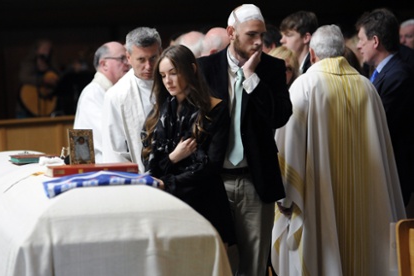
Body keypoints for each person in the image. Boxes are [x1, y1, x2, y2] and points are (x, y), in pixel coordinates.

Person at [271, 24, 406, 276]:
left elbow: (287, 148)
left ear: (312, 54)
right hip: (367, 198)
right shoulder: (367, 87)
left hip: (319, 199)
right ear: (343, 52)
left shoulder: (304, 87)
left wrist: (285, 197)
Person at [198, 4, 293, 275]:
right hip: (215, 180)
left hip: (255, 180)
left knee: (255, 265)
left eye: (262, 35)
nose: (259, 41)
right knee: (219, 262)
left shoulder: (272, 68)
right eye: (251, 34)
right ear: (231, 33)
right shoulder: (206, 68)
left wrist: (251, 77)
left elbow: (279, 117)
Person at [141, 44, 235, 245]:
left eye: (173, 73)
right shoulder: (159, 113)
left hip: (205, 202)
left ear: (191, 69)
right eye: (163, 75)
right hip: (169, 204)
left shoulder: (214, 109)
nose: (168, 81)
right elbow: (151, 167)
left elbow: (210, 167)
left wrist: (168, 181)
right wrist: (174, 157)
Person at [356, 8, 414, 208]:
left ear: (375, 41)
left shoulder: (398, 76)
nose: (358, 46)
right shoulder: (383, 72)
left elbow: (380, 125)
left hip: (395, 175)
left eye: (361, 40)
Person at [102, 27, 162, 173]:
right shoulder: (116, 95)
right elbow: (115, 152)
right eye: (141, 59)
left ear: (161, 52)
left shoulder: (173, 83)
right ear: (128, 57)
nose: (148, 66)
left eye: (153, 58)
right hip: (140, 176)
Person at [73, 42, 130, 163]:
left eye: (128, 58)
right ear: (104, 64)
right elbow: (112, 136)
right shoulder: (92, 94)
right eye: (122, 58)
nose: (128, 63)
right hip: (99, 169)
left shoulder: (113, 91)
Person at [17, 39, 60, 118]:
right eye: (44, 49)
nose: (46, 52)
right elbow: (23, 78)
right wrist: (42, 80)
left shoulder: (53, 67)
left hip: (47, 107)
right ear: (36, 50)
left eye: (48, 49)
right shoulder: (28, 64)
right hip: (28, 106)